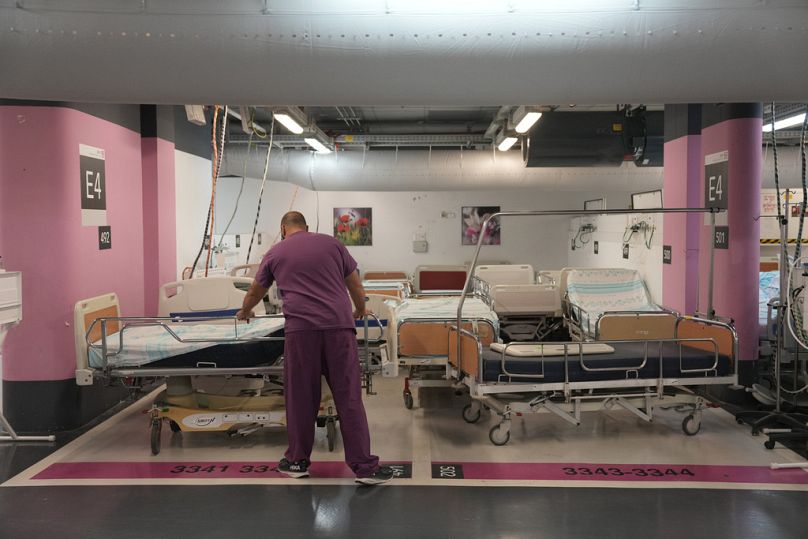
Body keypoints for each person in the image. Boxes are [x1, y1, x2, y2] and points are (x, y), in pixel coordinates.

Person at [236, 211, 393, 485]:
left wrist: (244, 311)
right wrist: (359, 308)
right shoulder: (333, 244)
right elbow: (355, 283)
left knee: (300, 398)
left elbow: (256, 291)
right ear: (307, 227)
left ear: (283, 228)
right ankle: (365, 467)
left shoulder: (275, 252)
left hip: (302, 331)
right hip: (339, 328)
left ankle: (297, 461)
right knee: (349, 397)